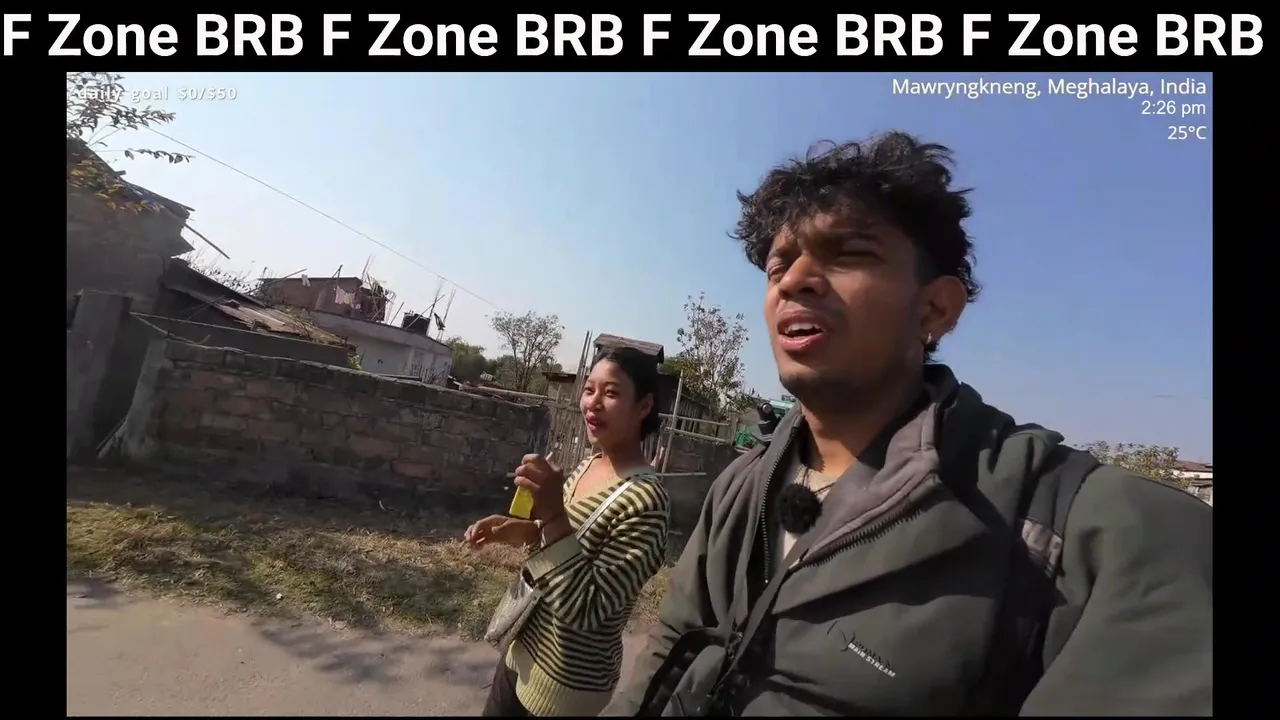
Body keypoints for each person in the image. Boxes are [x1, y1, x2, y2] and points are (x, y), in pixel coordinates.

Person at [604, 132, 1213, 716]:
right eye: (777, 265)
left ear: (935, 308)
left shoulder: (1064, 523)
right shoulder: (738, 491)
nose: (793, 280)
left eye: (849, 254)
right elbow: (666, 656)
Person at [465, 345, 672, 717]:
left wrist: (552, 512)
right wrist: (515, 530)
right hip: (522, 650)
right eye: (589, 389)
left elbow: (590, 610)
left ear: (643, 407)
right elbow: (559, 541)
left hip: (564, 684)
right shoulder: (588, 464)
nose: (593, 403)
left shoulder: (648, 502)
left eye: (611, 393)